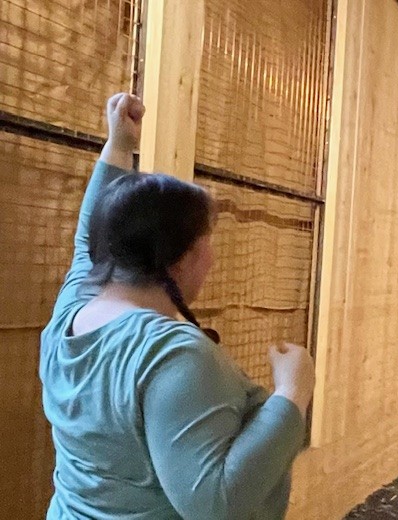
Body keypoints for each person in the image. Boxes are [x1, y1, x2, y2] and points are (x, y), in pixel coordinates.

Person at [39, 93, 315, 519]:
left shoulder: (76, 305)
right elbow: (215, 503)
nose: (213, 258)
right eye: (208, 242)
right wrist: (292, 393)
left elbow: (87, 240)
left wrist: (118, 146)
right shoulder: (173, 355)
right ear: (181, 257)